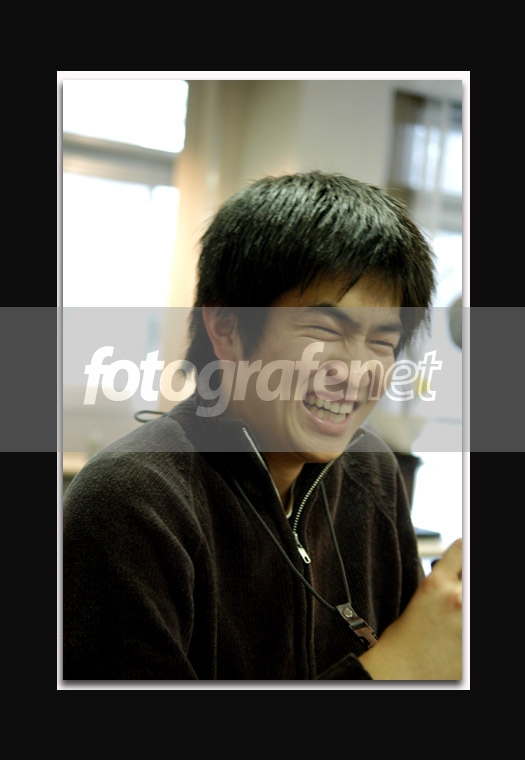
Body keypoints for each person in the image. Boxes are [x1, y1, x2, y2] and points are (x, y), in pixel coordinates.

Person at [62, 171, 462, 681]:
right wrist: (391, 668)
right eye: (325, 330)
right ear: (226, 326)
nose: (357, 373)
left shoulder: (371, 472)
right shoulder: (130, 503)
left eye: (382, 343)